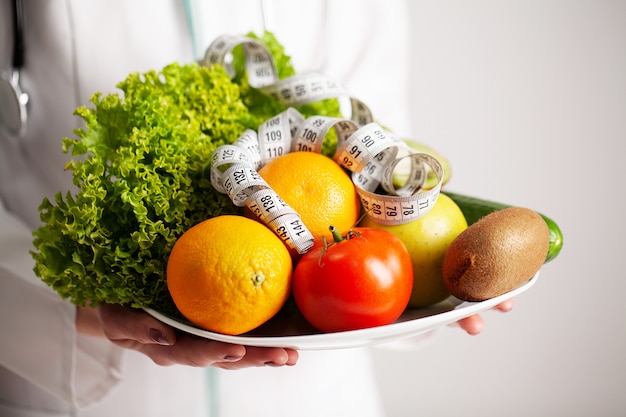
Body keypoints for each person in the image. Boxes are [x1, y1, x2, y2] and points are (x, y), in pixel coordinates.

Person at [0, 1, 513, 416]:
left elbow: (376, 156)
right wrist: (77, 307)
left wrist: (417, 288)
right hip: (81, 390)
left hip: (312, 395)